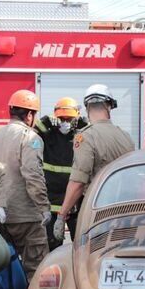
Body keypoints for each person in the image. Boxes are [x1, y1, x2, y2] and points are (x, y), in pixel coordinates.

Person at [0, 90, 50, 281]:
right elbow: (33, 175)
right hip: (26, 215)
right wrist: (43, 207)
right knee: (36, 268)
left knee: (3, 269)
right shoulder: (30, 138)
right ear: (29, 115)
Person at [52, 84, 135, 242]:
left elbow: (78, 182)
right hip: (123, 213)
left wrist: (62, 215)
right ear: (109, 107)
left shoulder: (86, 137)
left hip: (97, 214)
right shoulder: (125, 137)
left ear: (87, 107)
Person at [35, 97, 88, 249]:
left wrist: (83, 122)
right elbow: (32, 135)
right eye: (61, 119)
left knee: (80, 247)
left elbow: (95, 135)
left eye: (69, 119)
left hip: (76, 201)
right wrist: (44, 121)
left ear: (76, 117)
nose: (65, 122)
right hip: (52, 202)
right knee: (52, 247)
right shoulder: (48, 134)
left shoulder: (81, 135)